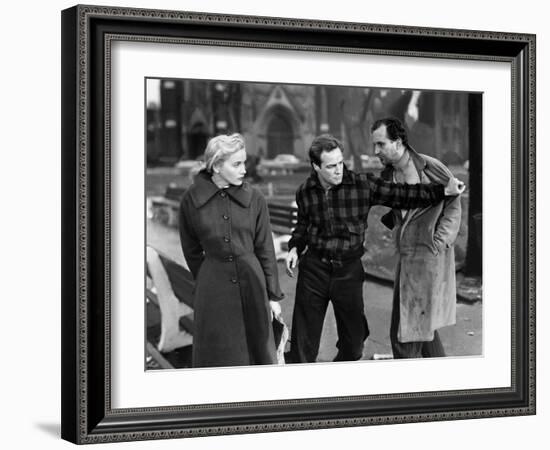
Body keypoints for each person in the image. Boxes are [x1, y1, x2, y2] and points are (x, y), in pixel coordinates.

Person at [284, 134, 464, 364]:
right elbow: (302, 226)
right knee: (302, 349)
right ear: (316, 167)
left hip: (347, 272)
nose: (339, 170)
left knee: (354, 345)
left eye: (340, 163)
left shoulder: (362, 185)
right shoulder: (305, 192)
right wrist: (294, 248)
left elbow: (405, 195)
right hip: (314, 271)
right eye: (331, 166)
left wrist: (443, 191)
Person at [178, 133, 284, 368]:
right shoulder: (191, 200)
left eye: (244, 162)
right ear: (216, 165)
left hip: (253, 283)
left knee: (258, 353)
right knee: (218, 355)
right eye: (236, 164)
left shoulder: (255, 198)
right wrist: (210, 276)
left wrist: (273, 295)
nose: (244, 169)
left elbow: (265, 248)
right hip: (213, 291)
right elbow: (191, 249)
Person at [371, 117, 461, 358]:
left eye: (380, 144)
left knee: (405, 333)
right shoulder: (387, 177)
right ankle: (448, 384)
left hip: (429, 258)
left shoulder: (431, 168)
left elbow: (454, 203)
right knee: (421, 326)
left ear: (398, 142)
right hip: (405, 257)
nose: (375, 151)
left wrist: (439, 241)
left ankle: (409, 387)